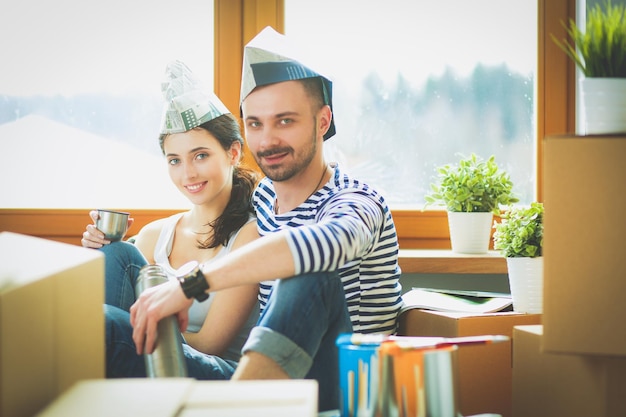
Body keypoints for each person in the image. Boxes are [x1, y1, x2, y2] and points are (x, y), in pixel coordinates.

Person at [130, 27, 403, 411]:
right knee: (112, 313)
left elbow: (320, 245)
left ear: (323, 121)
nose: (267, 140)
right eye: (255, 123)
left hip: (348, 390)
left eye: (285, 121)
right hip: (262, 377)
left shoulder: (357, 200)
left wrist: (188, 286)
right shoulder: (262, 197)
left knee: (312, 279)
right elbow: (206, 208)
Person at [81, 60, 260, 377]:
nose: (187, 173)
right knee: (116, 253)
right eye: (174, 160)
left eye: (200, 155)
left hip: (219, 372)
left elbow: (209, 344)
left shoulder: (250, 235)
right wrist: (98, 249)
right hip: (147, 362)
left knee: (103, 323)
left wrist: (130, 329)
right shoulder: (154, 235)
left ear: (233, 153)